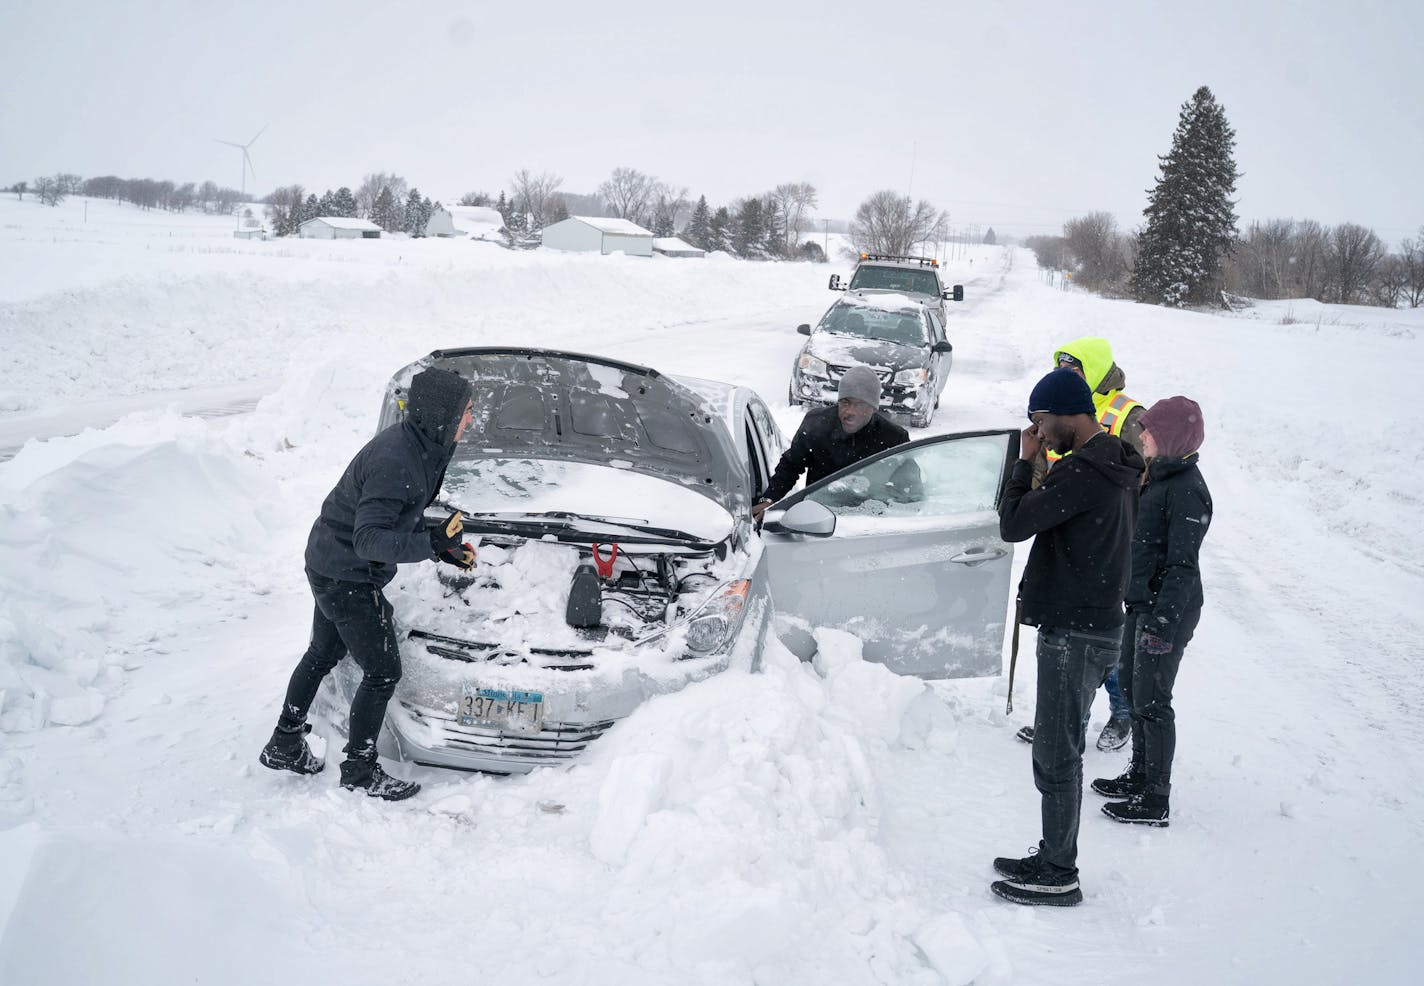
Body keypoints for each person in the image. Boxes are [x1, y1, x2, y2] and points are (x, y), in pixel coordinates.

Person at [259, 367, 477, 802]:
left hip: (329, 558)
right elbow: (369, 538)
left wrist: (440, 546)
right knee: (382, 671)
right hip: (346, 573)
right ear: (445, 415)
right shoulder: (397, 459)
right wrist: (430, 543)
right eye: (467, 411)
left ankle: (284, 742)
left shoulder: (425, 445)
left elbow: (398, 516)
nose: (472, 418)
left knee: (322, 652)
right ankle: (359, 768)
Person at [991, 368, 1145, 906]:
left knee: (1057, 755)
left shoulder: (1082, 473)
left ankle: (1059, 871)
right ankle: (1053, 852)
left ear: (1065, 414)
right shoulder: (1114, 463)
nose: (1037, 431)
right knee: (1062, 750)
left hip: (1076, 631)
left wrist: (1023, 461)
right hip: (1095, 623)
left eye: (1040, 420)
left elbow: (1011, 523)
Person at [1018, 336, 1146, 752]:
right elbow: (1043, 464)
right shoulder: (1058, 408)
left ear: (1092, 369)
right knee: (1082, 637)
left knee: (1098, 636)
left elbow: (1144, 475)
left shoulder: (1126, 414)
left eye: (1074, 369)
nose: (1066, 375)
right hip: (1066, 520)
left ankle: (1121, 712)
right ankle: (1068, 717)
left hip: (1111, 534)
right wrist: (1038, 492)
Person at [1094, 397, 1211, 827]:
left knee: (1154, 701)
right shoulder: (1158, 478)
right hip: (1141, 604)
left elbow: (1183, 566)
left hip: (1167, 612)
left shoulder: (1187, 491)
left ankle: (1155, 797)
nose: (1141, 435)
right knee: (1132, 686)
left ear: (1172, 439)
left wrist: (1161, 625)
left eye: (1149, 430)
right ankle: (1139, 775)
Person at [752, 365, 909, 521]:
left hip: (869, 522)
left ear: (873, 408)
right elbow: (791, 465)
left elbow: (909, 490)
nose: (850, 412)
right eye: (845, 402)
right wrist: (769, 500)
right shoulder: (817, 424)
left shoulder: (894, 438)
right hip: (818, 517)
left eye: (860, 405)